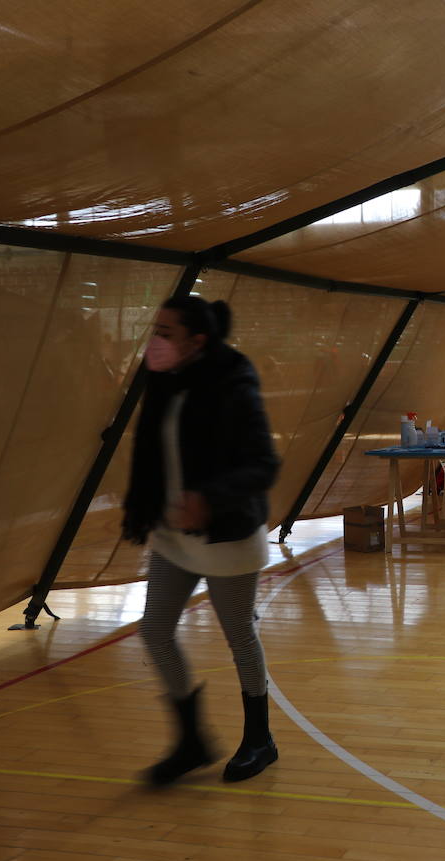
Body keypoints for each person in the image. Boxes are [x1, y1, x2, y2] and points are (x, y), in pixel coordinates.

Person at [122, 295, 281, 786]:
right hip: (174, 536)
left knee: (239, 638)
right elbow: (150, 452)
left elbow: (263, 463)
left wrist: (209, 499)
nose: (156, 339)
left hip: (225, 535)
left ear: (198, 340)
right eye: (156, 329)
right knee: (154, 630)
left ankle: (260, 739)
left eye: (166, 332)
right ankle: (191, 740)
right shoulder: (164, 380)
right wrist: (141, 507)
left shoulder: (233, 380)